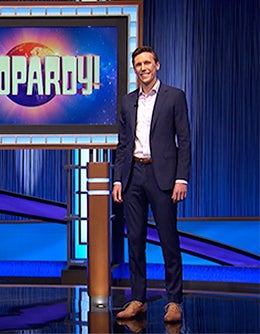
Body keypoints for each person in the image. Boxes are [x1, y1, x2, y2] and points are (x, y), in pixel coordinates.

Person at [112, 46, 191, 323]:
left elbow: (185, 139)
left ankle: (173, 301)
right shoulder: (127, 101)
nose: (143, 67)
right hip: (133, 175)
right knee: (135, 240)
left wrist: (182, 178)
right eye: (138, 64)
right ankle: (138, 299)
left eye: (147, 62)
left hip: (164, 177)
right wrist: (118, 180)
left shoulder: (174, 97)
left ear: (157, 64)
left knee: (169, 239)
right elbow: (123, 145)